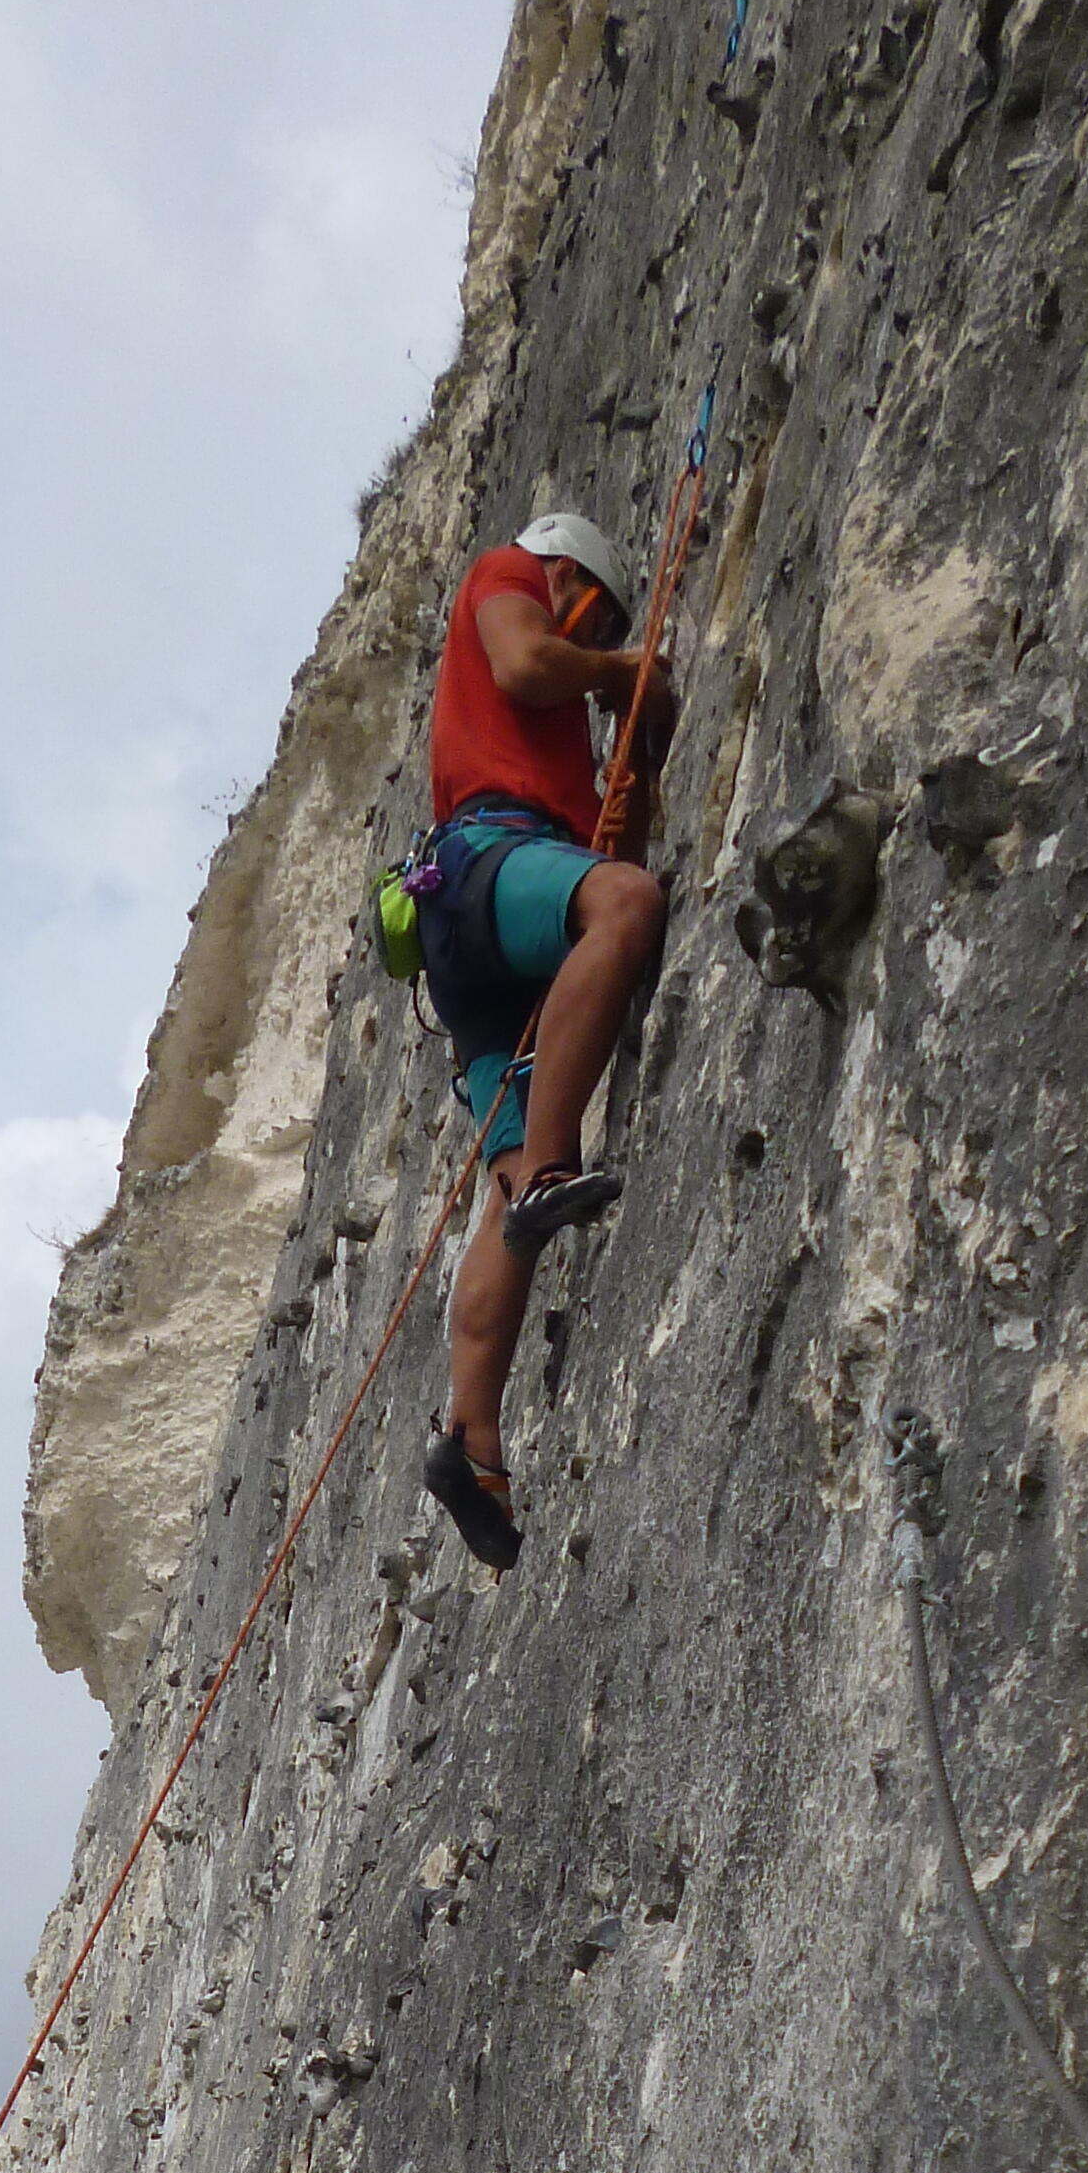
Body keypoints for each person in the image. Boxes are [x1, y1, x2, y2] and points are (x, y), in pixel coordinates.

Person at [412, 506, 674, 1571]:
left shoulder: (565, 734)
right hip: (488, 862)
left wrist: (637, 746)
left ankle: (473, 1444)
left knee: (505, 1190)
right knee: (627, 908)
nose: (596, 637)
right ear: (566, 572)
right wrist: (619, 671)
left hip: (481, 926)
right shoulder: (508, 571)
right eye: (596, 614)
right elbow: (526, 664)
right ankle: (556, 1164)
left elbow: (617, 837)